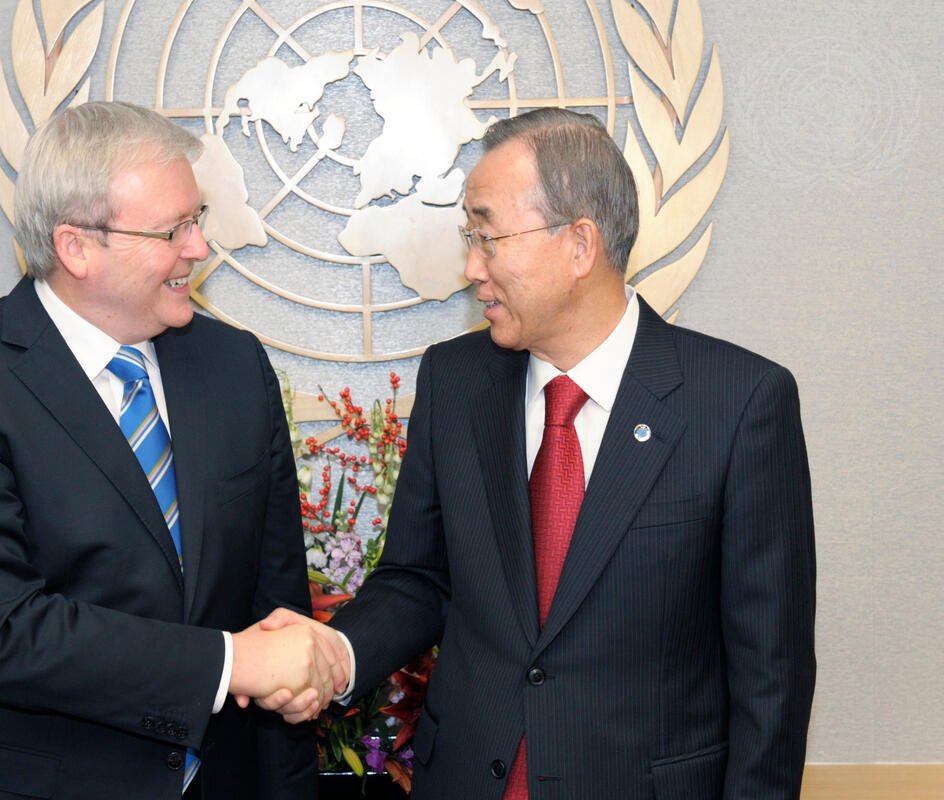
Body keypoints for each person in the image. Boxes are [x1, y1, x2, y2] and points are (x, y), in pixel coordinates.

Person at [263, 108, 816, 799]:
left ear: (579, 245)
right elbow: (419, 577)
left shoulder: (738, 403)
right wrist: (337, 653)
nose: (472, 268)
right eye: (470, 239)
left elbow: (772, 675)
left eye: (488, 237)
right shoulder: (456, 382)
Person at [0, 101, 342, 799]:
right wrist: (229, 663)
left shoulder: (234, 366)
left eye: (197, 218)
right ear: (76, 248)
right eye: (171, 230)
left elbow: (276, 607)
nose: (198, 248)